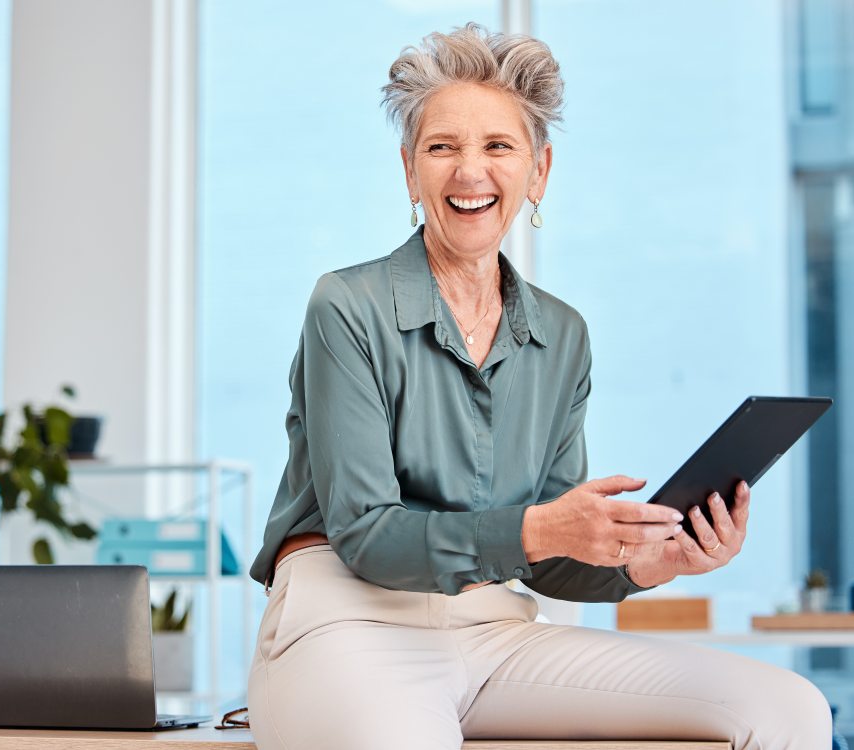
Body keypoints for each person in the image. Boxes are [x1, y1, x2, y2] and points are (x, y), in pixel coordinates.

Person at [245, 23, 831, 750]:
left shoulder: (563, 335)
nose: (470, 173)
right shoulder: (346, 306)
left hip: (495, 631)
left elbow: (548, 558)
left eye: (498, 146)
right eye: (441, 147)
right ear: (409, 172)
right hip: (345, 622)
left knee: (790, 709)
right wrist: (536, 528)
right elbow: (367, 535)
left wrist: (648, 562)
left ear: (539, 170)